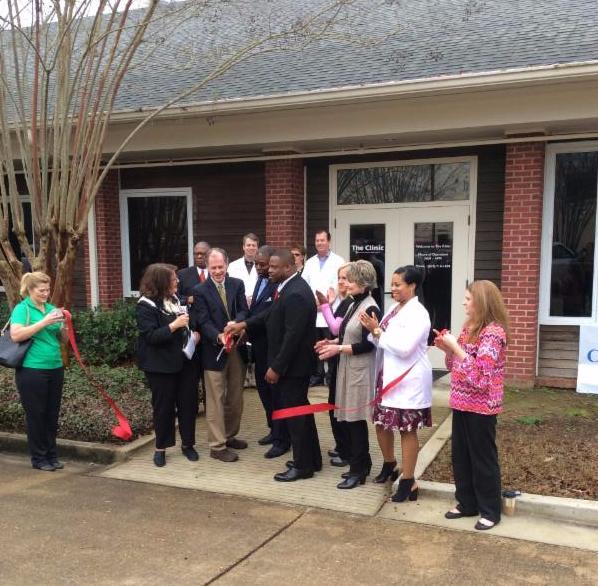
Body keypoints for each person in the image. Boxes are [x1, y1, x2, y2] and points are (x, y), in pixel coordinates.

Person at [226, 249, 322, 482]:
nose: (269, 270)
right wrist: (244, 325)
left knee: (296, 416)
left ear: (288, 267)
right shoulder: (287, 287)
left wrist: (276, 367)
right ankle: (311, 459)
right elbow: (270, 313)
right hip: (293, 366)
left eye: (274, 267)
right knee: (302, 413)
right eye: (269, 266)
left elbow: (292, 337)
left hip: (293, 368)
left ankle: (302, 466)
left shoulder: (296, 293)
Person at [434, 280, 508, 531]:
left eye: (468, 299)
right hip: (461, 402)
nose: (464, 303)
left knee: (482, 458)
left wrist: (456, 348)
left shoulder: (494, 333)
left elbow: (480, 377)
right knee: (461, 455)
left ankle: (490, 510)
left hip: (482, 406)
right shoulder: (469, 328)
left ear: (481, 302)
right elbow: (455, 366)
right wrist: (448, 350)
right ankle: (467, 503)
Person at [360, 265, 432, 502]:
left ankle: (409, 480)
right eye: (391, 284)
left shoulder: (418, 313)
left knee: (406, 429)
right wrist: (373, 331)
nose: (393, 288)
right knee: (381, 423)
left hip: (407, 381)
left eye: (398, 284)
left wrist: (377, 332)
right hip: (386, 376)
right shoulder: (393, 308)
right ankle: (390, 463)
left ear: (412, 285)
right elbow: (378, 339)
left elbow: (404, 348)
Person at [317, 260, 380, 489]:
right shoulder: (354, 303)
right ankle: (361, 464)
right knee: (348, 419)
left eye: (352, 280)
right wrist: (332, 342)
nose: (347, 283)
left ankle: (358, 469)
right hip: (348, 368)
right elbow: (347, 333)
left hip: (359, 371)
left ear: (364, 283)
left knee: (355, 421)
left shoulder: (370, 308)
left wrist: (338, 348)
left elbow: (369, 344)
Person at [136, 263, 201, 467]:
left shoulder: (175, 299)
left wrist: (193, 333)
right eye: (174, 279)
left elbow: (188, 323)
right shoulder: (145, 305)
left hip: (185, 362)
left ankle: (188, 444)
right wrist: (174, 326)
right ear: (161, 282)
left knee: (188, 405)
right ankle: (161, 448)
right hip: (160, 366)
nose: (178, 281)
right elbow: (150, 336)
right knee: (163, 408)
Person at [191, 248, 249, 462]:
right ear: (207, 267)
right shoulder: (199, 290)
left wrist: (237, 323)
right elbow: (202, 320)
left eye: (220, 267)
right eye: (213, 267)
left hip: (236, 348)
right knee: (215, 400)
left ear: (227, 264)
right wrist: (218, 336)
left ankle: (229, 435)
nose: (217, 271)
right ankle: (217, 446)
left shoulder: (237, 284)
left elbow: (244, 310)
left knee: (235, 397)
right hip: (213, 351)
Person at [10, 272, 66, 471]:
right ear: (30, 290)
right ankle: (39, 458)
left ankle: (52, 455)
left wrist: (64, 325)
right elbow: (16, 335)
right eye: (41, 290)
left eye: (47, 290)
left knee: (52, 414)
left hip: (55, 366)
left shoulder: (51, 309)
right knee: (36, 414)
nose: (46, 293)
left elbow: (62, 339)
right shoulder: (22, 309)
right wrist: (44, 322)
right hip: (32, 369)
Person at [247, 245, 291, 458]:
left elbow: (267, 314)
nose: (259, 268)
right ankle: (273, 430)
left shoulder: (277, 287)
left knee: (275, 394)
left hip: (271, 348)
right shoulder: (260, 280)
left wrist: (245, 325)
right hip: (258, 348)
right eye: (256, 264)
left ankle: (282, 438)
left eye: (263, 265)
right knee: (264, 393)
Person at [315, 263, 352, 466]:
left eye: (345, 278)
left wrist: (324, 306)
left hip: (346, 360)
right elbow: (340, 334)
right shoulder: (344, 302)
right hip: (338, 357)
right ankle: (341, 445)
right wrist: (331, 342)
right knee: (333, 404)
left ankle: (346, 449)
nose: (341, 282)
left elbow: (337, 327)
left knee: (338, 406)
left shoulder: (350, 303)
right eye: (339, 278)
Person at [301, 230, 345, 386]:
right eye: (317, 240)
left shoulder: (339, 261)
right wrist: (313, 303)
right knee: (316, 345)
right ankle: (317, 374)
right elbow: (304, 284)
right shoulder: (310, 262)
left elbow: (339, 284)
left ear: (329, 241)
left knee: (330, 343)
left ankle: (331, 375)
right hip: (314, 311)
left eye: (322, 240)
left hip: (331, 310)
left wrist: (326, 302)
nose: (319, 243)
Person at [227, 233, 260, 305]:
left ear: (257, 248)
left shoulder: (262, 266)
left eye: (253, 245)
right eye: (248, 245)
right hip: (238, 304)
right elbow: (229, 287)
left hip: (258, 305)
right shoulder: (233, 266)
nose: (251, 248)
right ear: (243, 247)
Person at [177, 241, 210, 306]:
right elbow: (176, 298)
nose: (199, 256)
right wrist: (187, 299)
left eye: (202, 254)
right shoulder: (182, 274)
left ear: (209, 254)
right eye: (196, 254)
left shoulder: (217, 273)